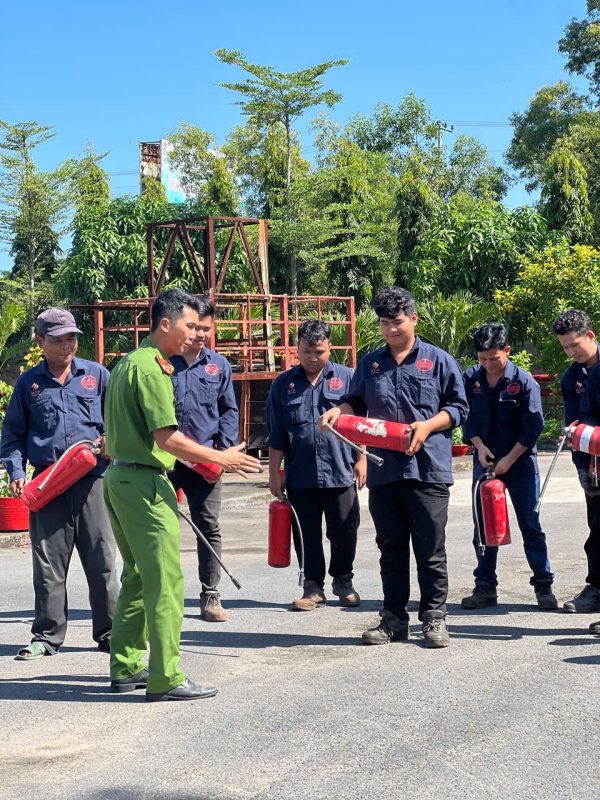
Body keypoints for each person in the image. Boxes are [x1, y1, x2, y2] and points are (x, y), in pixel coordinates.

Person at [103, 288, 261, 702]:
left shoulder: (127, 363)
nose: (195, 333)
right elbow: (167, 438)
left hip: (120, 479)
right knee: (167, 581)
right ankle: (166, 676)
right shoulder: (153, 369)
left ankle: (125, 666)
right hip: (144, 481)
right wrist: (222, 458)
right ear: (166, 323)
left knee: (137, 576)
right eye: (190, 325)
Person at [320, 287, 468, 648]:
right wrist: (341, 412)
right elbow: (355, 402)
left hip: (427, 470)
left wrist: (428, 426)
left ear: (414, 319)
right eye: (385, 323)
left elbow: (459, 408)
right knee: (390, 548)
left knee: (431, 550)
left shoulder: (438, 361)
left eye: (397, 322)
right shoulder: (371, 365)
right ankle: (393, 620)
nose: (391, 330)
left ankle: (434, 619)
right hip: (384, 470)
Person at [1, 308, 119, 660]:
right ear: (40, 342)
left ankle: (111, 632)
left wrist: (111, 441)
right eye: (57, 339)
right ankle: (47, 636)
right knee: (48, 564)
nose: (67, 344)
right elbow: (12, 436)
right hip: (48, 483)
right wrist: (16, 472)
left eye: (71, 337)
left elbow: (118, 421)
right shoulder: (28, 385)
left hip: (93, 481)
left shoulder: (97, 376)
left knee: (102, 560)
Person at [267, 320, 366, 611]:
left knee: (344, 529)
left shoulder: (348, 378)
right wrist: (274, 473)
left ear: (329, 348)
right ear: (297, 348)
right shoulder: (283, 385)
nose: (313, 357)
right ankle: (312, 587)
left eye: (319, 351)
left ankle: (343, 581)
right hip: (301, 473)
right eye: (307, 350)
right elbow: (277, 434)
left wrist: (362, 459)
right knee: (306, 533)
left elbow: (361, 423)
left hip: (341, 470)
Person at [461, 322, 557, 611]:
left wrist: (508, 460)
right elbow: (465, 416)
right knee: (484, 526)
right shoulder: (471, 379)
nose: (488, 364)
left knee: (530, 524)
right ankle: (485, 588)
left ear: (507, 350)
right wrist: (478, 447)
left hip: (520, 463)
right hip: (485, 461)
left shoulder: (524, 382)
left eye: (494, 357)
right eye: (483, 359)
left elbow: (533, 428)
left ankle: (543, 586)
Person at [169, 295, 239, 622]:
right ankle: (146, 591)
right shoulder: (161, 361)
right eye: (194, 326)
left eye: (205, 328)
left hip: (206, 462)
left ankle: (210, 595)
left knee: (207, 525)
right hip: (164, 459)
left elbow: (228, 411)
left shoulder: (219, 365)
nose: (199, 334)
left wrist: (222, 453)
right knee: (155, 526)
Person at [552, 310, 600, 620]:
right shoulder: (572, 378)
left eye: (575, 345)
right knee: (597, 527)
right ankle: (595, 589)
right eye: (565, 347)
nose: (571, 352)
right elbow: (578, 422)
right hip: (595, 462)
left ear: (591, 336)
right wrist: (583, 467)